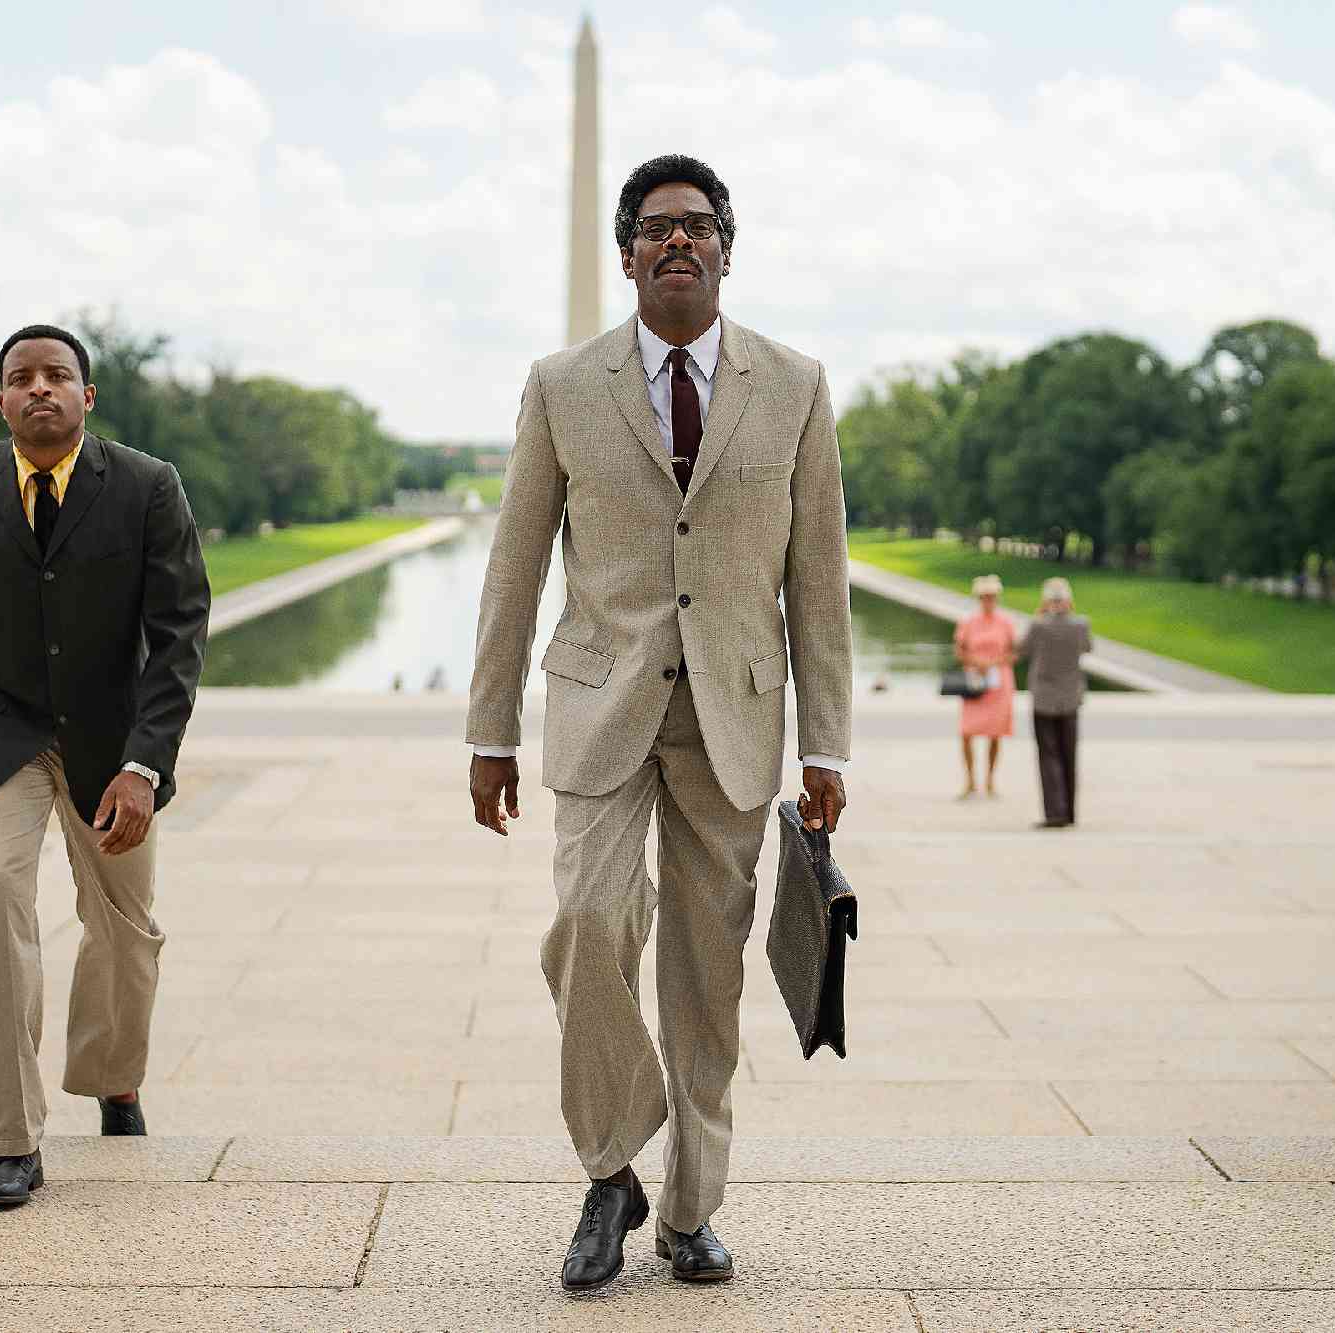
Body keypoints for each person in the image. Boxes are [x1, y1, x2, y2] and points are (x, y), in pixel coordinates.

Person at [465, 155, 852, 1293]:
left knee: (704, 971)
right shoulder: (559, 384)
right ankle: (608, 1164)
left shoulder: (794, 384)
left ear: (727, 248)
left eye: (695, 227)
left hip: (731, 711)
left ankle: (689, 1209)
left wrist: (825, 743)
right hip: (600, 701)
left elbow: (817, 578)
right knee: (587, 923)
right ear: (626, 252)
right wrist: (488, 728)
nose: (675, 243)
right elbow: (514, 562)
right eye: (653, 229)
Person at [0, 325, 211, 1209]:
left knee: (124, 927)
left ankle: (113, 1076)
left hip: (114, 739)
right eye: (21, 378)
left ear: (86, 396)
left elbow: (180, 636)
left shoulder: (148, 487)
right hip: (0, 728)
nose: (40, 388)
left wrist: (145, 765)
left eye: (56, 375)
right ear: (2, 401)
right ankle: (11, 1140)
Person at [1018, 577, 1091, 828]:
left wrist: (1040, 615)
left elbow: (1022, 649)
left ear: (1046, 601)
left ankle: (1054, 812)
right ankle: (1070, 811)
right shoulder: (1081, 625)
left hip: (1044, 698)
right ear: (1069, 601)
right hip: (1070, 698)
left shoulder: (1038, 625)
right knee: (1069, 754)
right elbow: (1087, 648)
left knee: (1048, 755)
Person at [954, 575, 1016, 798]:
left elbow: (1014, 651)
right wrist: (975, 662)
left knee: (995, 732)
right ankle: (970, 780)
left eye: (992, 597)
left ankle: (990, 780)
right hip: (975, 681)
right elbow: (959, 649)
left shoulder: (1006, 622)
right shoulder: (969, 621)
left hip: (999, 681)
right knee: (966, 731)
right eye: (984, 597)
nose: (988, 600)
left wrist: (994, 662)